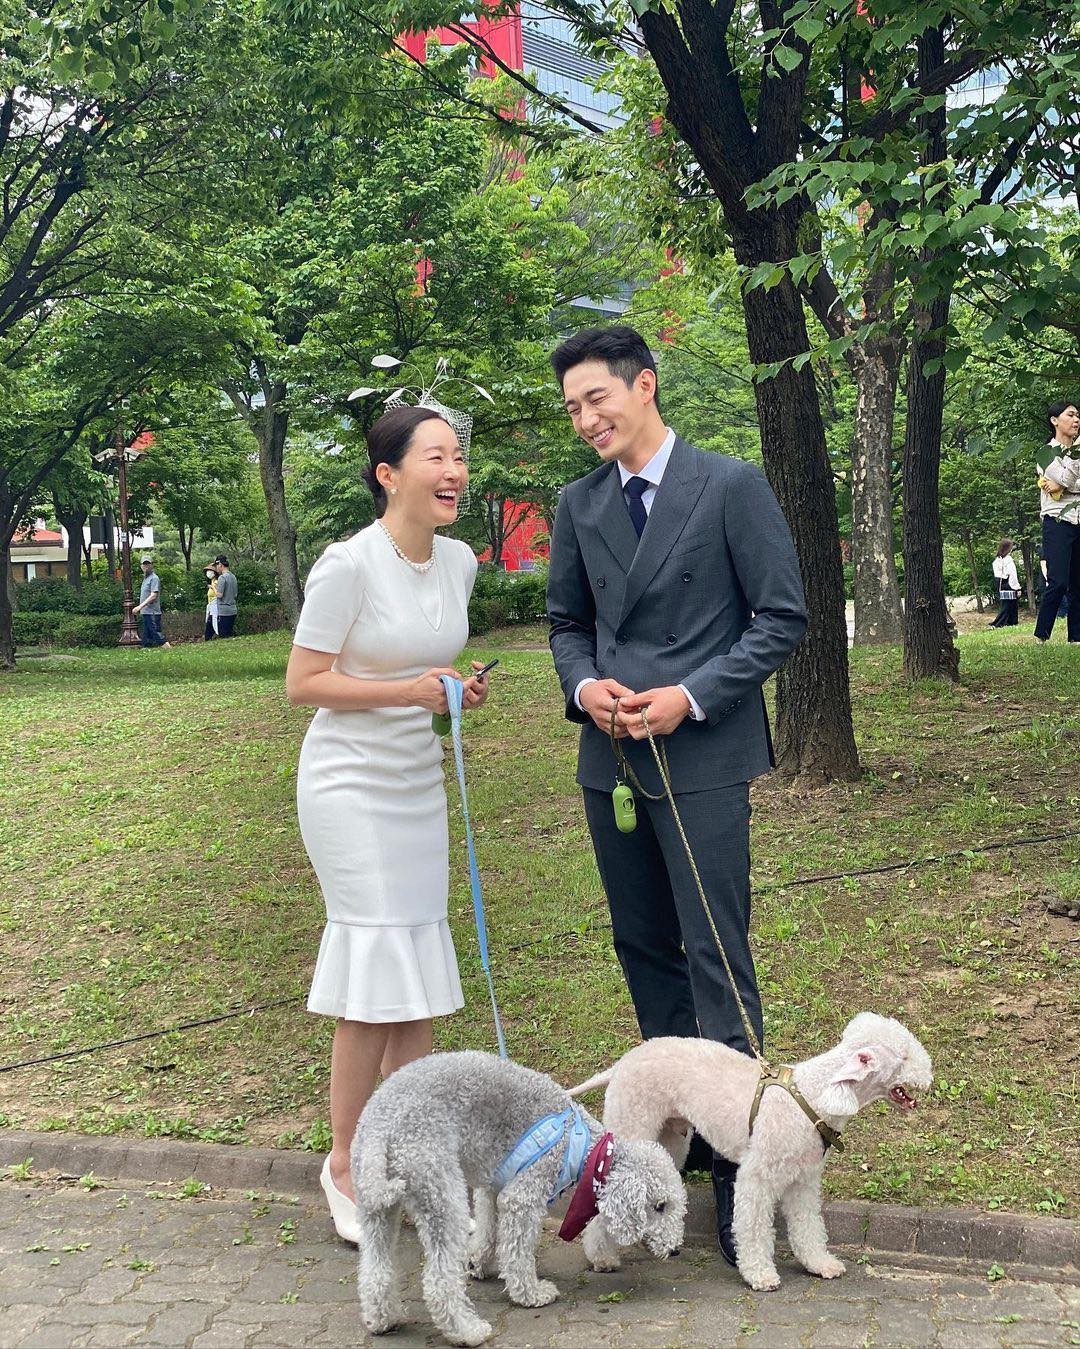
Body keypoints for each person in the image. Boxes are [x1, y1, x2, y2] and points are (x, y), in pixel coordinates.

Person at [546, 325, 807, 1265]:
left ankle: (742, 1179)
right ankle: (668, 1154)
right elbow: (566, 622)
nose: (586, 419)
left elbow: (781, 615)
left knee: (715, 956)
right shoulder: (579, 503)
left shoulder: (728, 485)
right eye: (572, 407)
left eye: (597, 399)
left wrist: (688, 695)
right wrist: (586, 687)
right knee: (645, 949)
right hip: (610, 761)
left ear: (644, 385)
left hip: (700, 754)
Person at [285, 404, 492, 1245]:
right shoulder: (348, 564)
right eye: (435, 456)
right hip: (349, 784)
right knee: (374, 972)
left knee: (416, 973)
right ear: (388, 473)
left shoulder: (460, 561)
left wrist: (452, 691)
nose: (454, 472)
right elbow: (303, 682)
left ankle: (413, 1157)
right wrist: (404, 691)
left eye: (458, 457)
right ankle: (344, 1162)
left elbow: (426, 666)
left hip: (416, 779)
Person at [1033, 399, 1080, 643]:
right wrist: (1068, 476)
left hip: (1079, 518)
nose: (1076, 420)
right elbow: (1068, 479)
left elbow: (1066, 482)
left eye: (1078, 415)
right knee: (1058, 581)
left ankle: (1076, 637)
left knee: (1078, 583)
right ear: (1054, 420)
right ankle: (1042, 635)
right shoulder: (1046, 453)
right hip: (1057, 521)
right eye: (1070, 415)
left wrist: (1063, 485)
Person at [133, 555, 171, 648]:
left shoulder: (154, 578)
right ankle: (146, 649)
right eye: (144, 564)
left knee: (157, 634)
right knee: (147, 636)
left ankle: (169, 649)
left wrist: (139, 607)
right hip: (146, 612)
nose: (146, 566)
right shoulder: (146, 579)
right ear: (141, 566)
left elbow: (153, 595)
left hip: (152, 612)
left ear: (152, 565)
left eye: (148, 564)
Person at [988, 538, 1021, 628]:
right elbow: (1013, 574)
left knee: (1005, 604)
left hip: (1001, 584)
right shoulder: (1008, 559)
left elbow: (997, 574)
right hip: (1009, 583)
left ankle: (1004, 622)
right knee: (1011, 605)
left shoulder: (997, 560)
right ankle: (1005, 622)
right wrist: (1017, 587)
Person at [211, 556, 238, 637]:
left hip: (224, 612)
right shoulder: (233, 576)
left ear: (220, 565)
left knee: (223, 636)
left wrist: (213, 587)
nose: (216, 568)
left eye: (216, 566)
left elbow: (219, 595)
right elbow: (235, 593)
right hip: (233, 610)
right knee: (229, 635)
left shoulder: (222, 577)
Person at [203, 566, 219, 641]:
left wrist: (212, 587)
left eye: (209, 571)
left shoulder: (216, 582)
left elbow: (218, 592)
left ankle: (215, 635)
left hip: (215, 605)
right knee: (209, 622)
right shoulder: (212, 581)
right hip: (210, 605)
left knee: (213, 621)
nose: (208, 573)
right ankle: (208, 638)